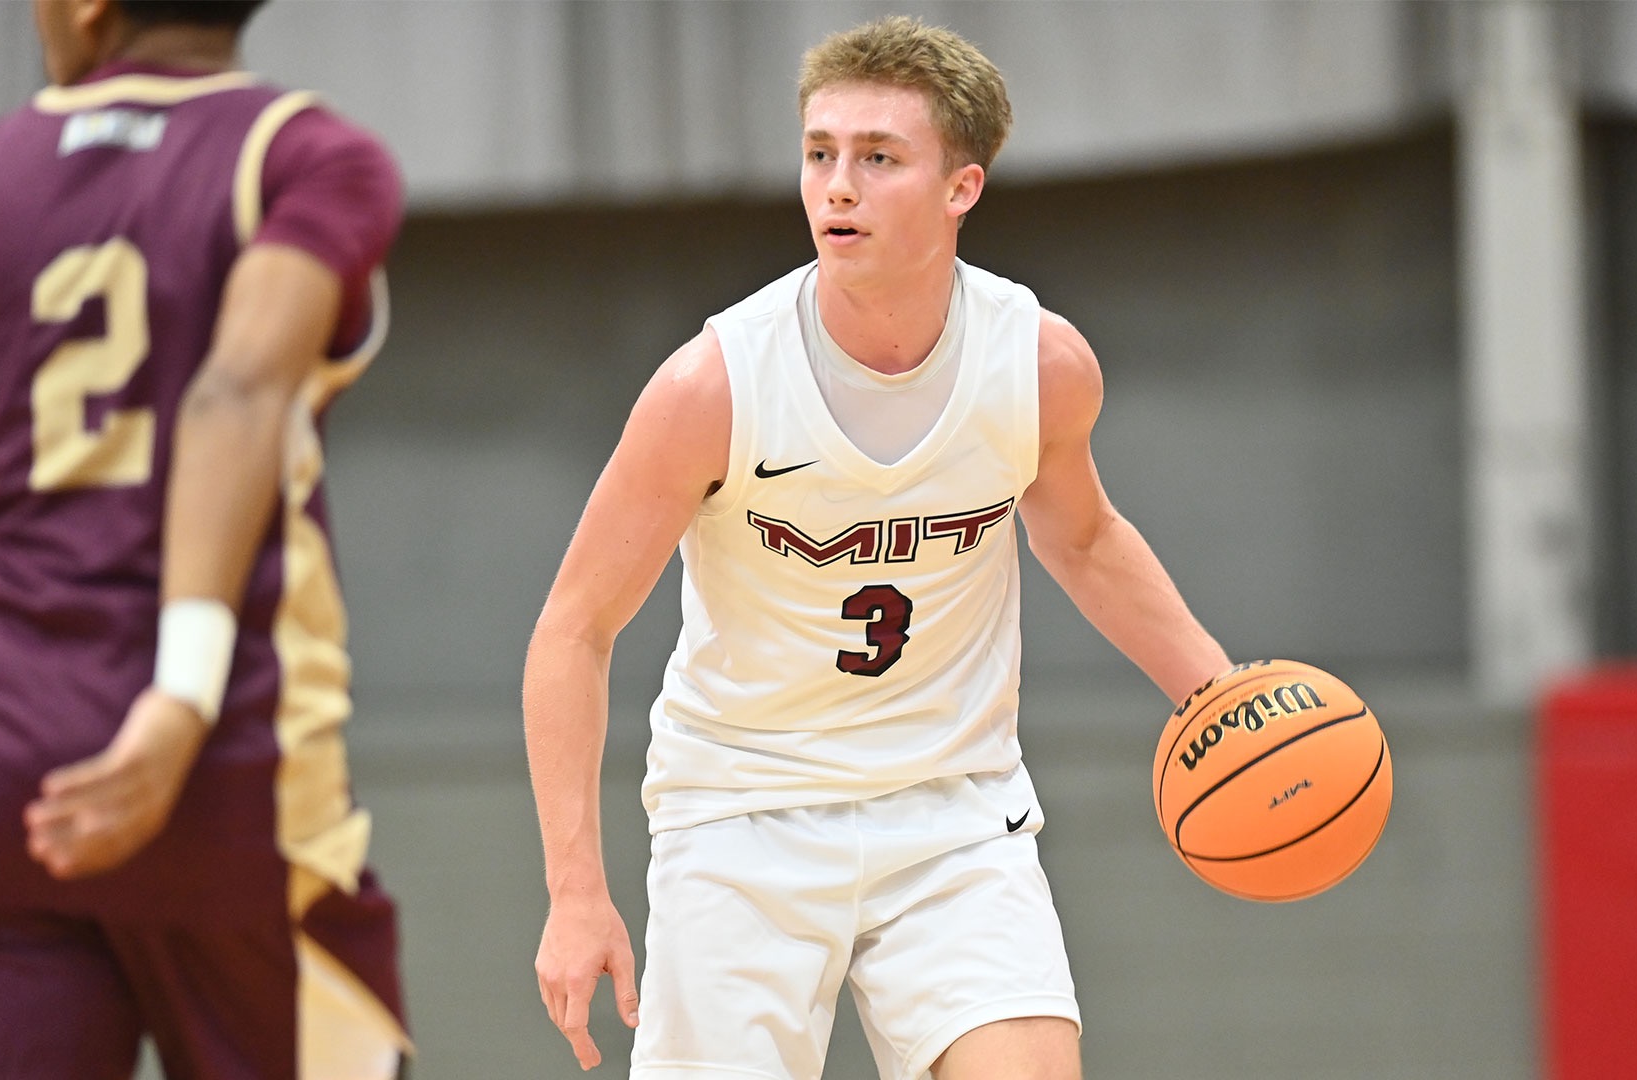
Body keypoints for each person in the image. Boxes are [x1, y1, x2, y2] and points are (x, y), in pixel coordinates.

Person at [525, 15, 1231, 1080]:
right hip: (743, 812)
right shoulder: (713, 386)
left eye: (877, 157)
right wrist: (575, 891)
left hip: (950, 812)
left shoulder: (1036, 365)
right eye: (820, 154)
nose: (836, 187)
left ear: (962, 188)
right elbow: (573, 628)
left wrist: (1223, 698)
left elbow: (1085, 540)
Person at [0, 1, 410, 1076]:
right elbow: (236, 389)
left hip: (4, 761)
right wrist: (178, 698)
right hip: (227, 763)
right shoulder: (309, 157)